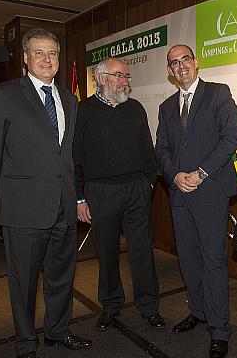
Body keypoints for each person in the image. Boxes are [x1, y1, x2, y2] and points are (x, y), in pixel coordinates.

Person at [0, 28, 92, 358]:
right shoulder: (4, 94)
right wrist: (10, 193)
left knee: (61, 277)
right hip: (23, 209)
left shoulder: (70, 100)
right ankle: (26, 343)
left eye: (53, 53)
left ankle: (57, 332)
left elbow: (67, 155)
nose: (46, 59)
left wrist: (74, 197)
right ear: (26, 58)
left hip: (63, 207)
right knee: (24, 283)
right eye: (39, 53)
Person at [155, 44, 237, 358]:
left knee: (213, 260)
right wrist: (175, 175)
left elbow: (232, 138)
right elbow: (161, 150)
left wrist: (201, 173)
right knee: (188, 259)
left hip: (210, 192)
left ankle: (219, 329)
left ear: (196, 62)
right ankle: (200, 312)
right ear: (169, 71)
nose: (180, 66)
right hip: (179, 193)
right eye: (174, 63)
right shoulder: (166, 107)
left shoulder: (219, 93)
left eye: (185, 59)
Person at [73, 58, 165, 330]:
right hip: (100, 192)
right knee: (106, 251)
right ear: (101, 79)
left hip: (136, 189)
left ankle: (149, 306)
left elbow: (148, 150)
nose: (125, 81)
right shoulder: (83, 111)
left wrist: (148, 183)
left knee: (142, 251)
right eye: (120, 76)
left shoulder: (135, 108)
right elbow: (75, 158)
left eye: (127, 77)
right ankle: (111, 306)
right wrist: (79, 198)